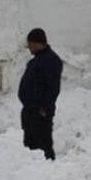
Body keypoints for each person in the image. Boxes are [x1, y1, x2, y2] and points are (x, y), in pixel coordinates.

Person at [18, 28, 63, 160]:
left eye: (30, 44)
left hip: (39, 113)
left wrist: (44, 108)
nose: (29, 48)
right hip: (30, 111)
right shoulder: (36, 61)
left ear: (38, 43)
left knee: (42, 145)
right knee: (30, 146)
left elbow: (53, 87)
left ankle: (48, 168)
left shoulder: (51, 60)